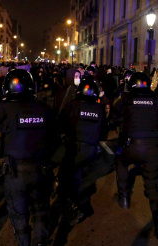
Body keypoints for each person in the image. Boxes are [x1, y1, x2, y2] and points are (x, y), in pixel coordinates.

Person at [0, 69, 56, 246]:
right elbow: (55, 136)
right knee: (41, 209)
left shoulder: (1, 109)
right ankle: (40, 242)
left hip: (15, 174)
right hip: (41, 170)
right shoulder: (45, 109)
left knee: (19, 215)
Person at [114, 72, 158, 240]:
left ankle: (123, 196)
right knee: (152, 187)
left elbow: (115, 119)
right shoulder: (157, 100)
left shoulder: (126, 100)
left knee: (121, 163)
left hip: (131, 146)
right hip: (153, 148)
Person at [57, 76, 106, 225]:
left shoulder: (72, 104)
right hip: (90, 150)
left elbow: (61, 123)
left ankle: (77, 207)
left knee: (71, 179)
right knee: (77, 176)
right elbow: (103, 133)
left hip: (74, 148)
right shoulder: (100, 109)